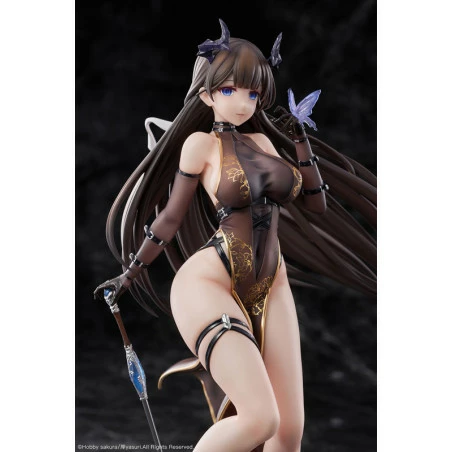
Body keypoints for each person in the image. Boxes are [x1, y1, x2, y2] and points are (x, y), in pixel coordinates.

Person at [94, 19, 376, 452]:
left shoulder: (263, 141)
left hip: (271, 282)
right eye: (229, 90)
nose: (243, 102)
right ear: (206, 94)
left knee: (288, 434)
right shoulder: (200, 145)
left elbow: (315, 204)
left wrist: (301, 142)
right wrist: (129, 274)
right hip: (210, 282)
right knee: (260, 419)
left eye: (253, 93)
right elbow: (170, 218)